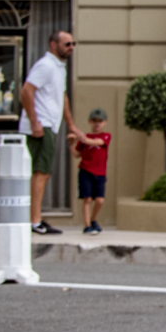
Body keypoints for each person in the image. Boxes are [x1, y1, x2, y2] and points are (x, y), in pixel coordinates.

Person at [18, 29, 73, 237]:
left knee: (43, 172)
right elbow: (26, 91)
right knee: (39, 172)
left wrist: (71, 125)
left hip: (50, 124)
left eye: (73, 44)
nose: (71, 48)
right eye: (67, 44)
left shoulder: (59, 68)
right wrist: (34, 122)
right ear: (53, 45)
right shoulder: (45, 65)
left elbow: (62, 97)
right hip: (41, 125)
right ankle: (34, 220)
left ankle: (34, 217)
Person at [69, 108, 112, 235]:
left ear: (105, 123)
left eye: (100, 121)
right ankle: (87, 225)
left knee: (99, 200)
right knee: (87, 199)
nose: (97, 124)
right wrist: (71, 144)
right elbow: (77, 154)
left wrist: (79, 136)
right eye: (94, 121)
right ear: (90, 122)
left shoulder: (105, 136)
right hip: (85, 171)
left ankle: (93, 220)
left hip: (100, 172)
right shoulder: (85, 138)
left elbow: (96, 142)